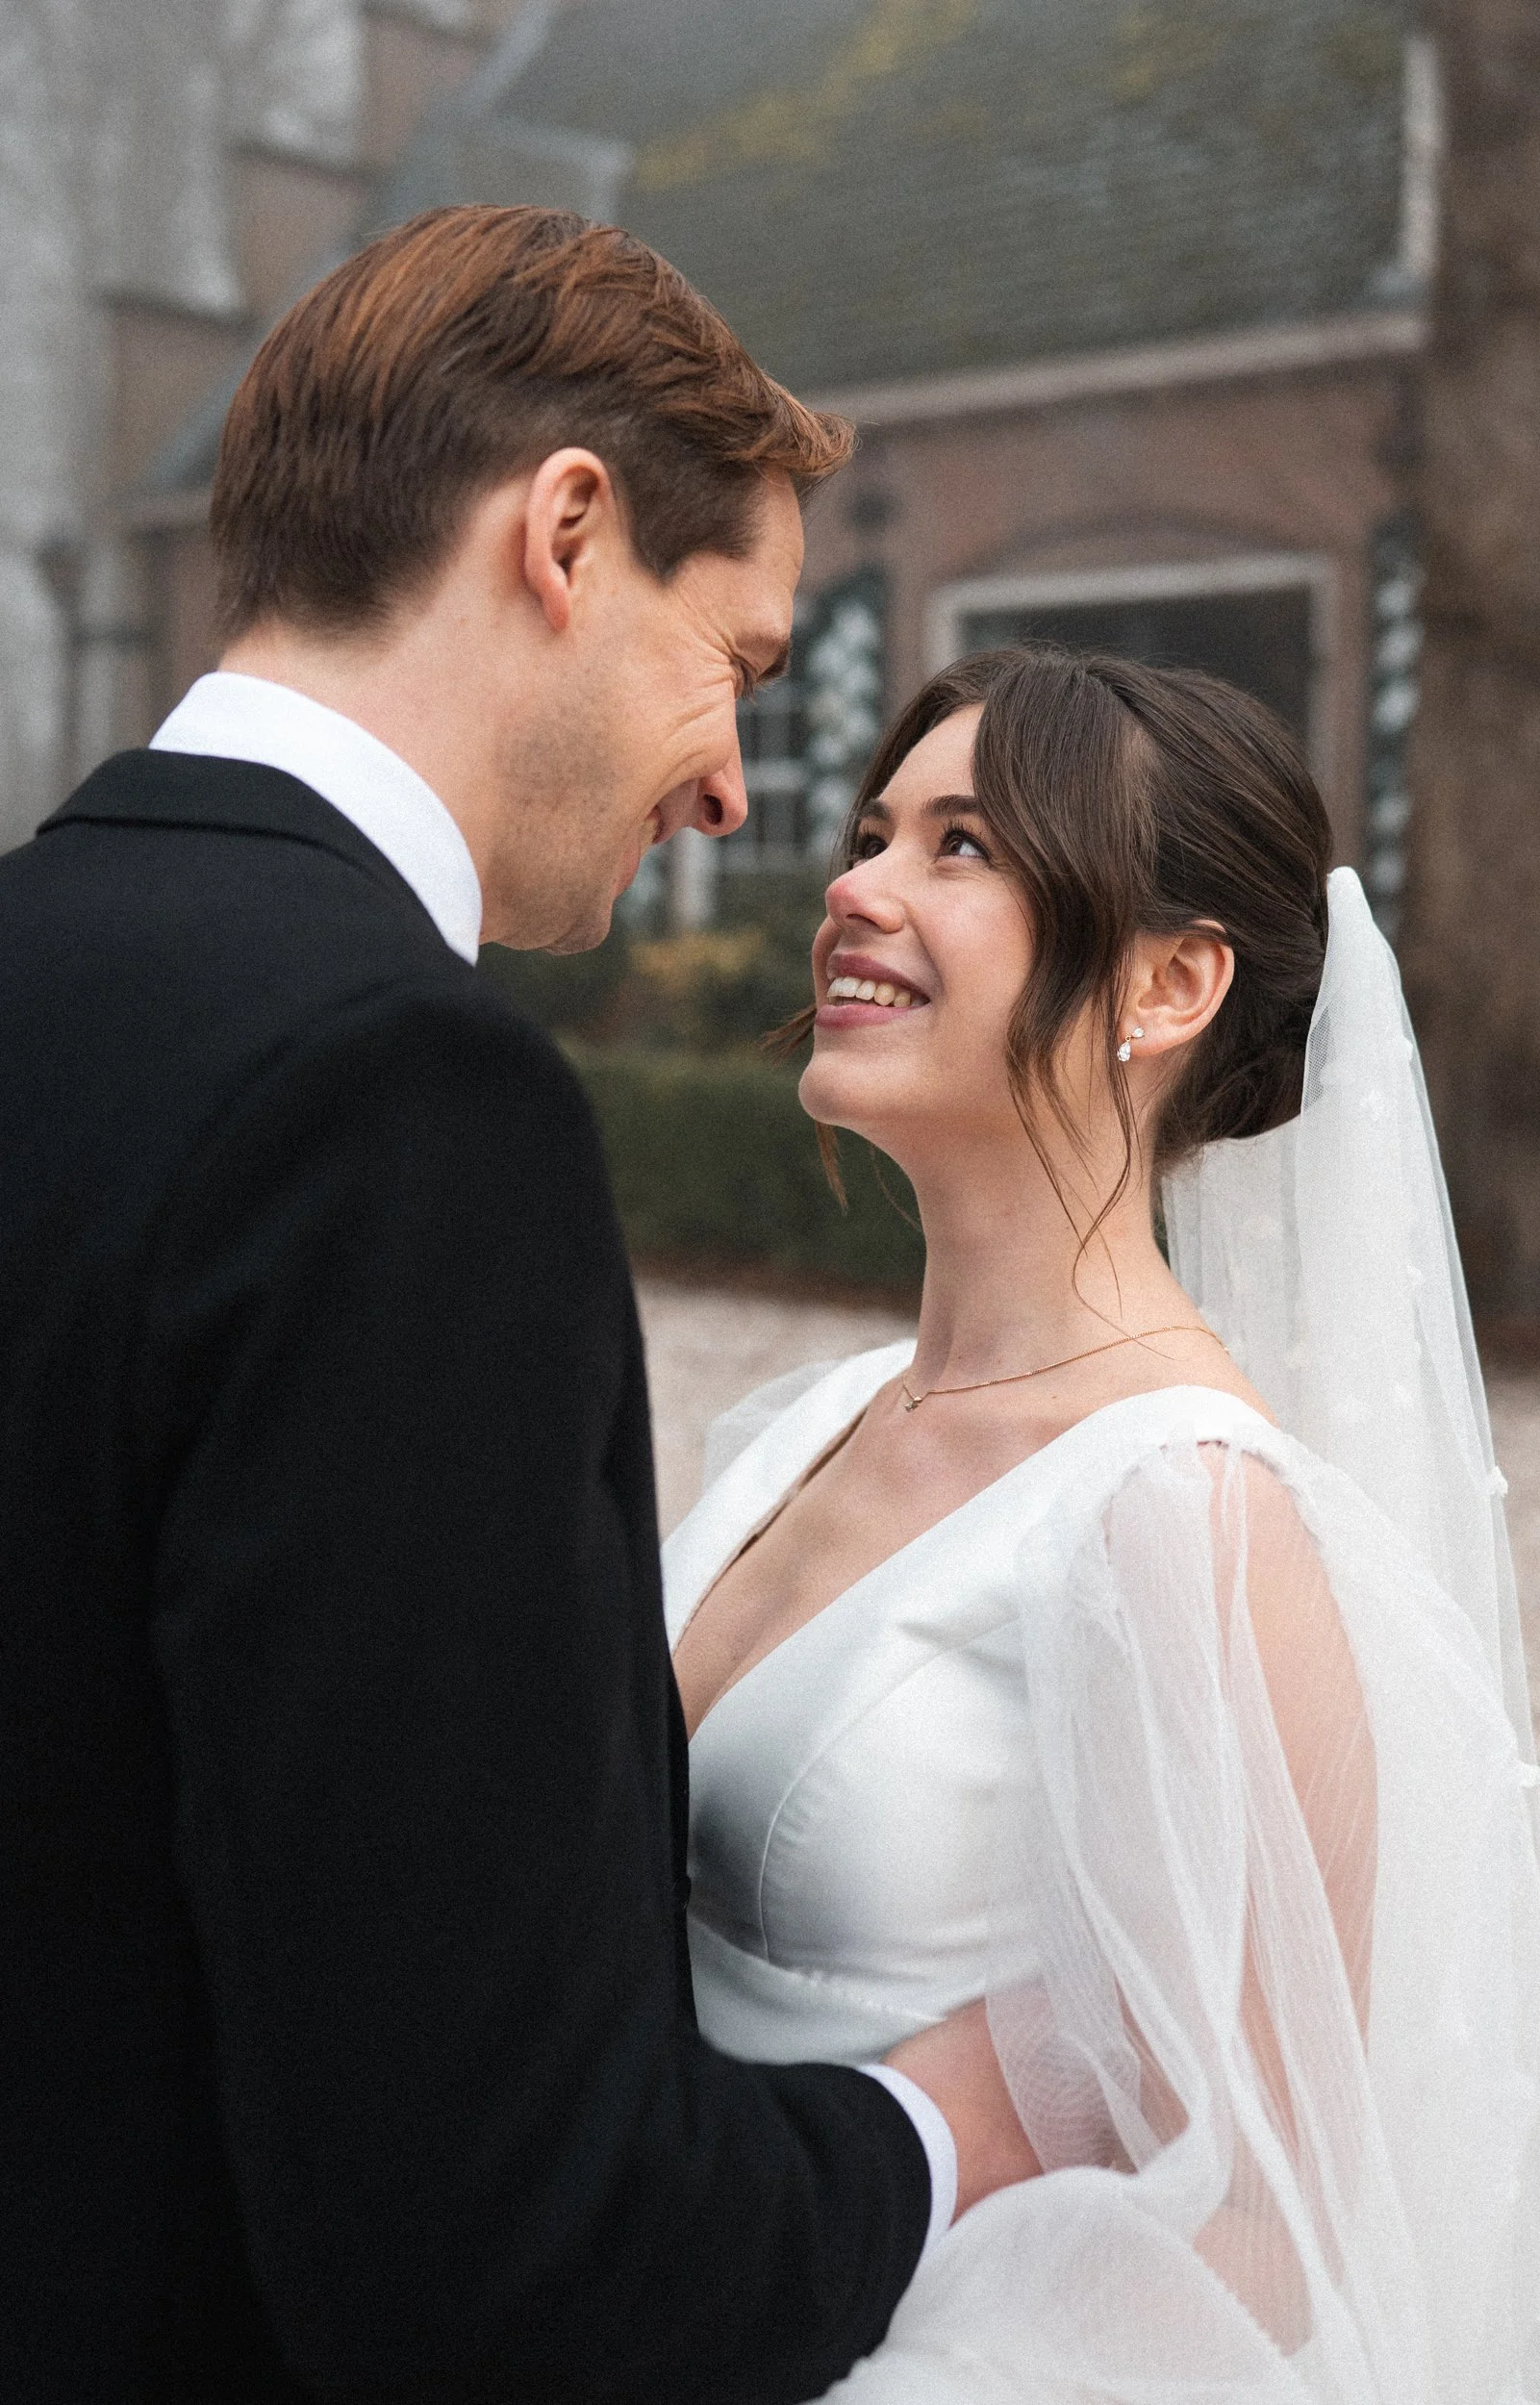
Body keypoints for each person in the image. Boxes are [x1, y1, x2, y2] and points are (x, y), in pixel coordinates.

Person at [0, 207, 1037, 2405]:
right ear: (564, 533)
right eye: (735, 659)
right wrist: (938, 2132)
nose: (735, 783)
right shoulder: (396, 1102)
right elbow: (500, 2258)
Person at [667, 647, 1540, 2403]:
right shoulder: (816, 1419)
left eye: (960, 847)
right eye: (870, 836)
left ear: (1168, 983)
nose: (856, 889)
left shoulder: (1185, 1514)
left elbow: (1255, 2230)